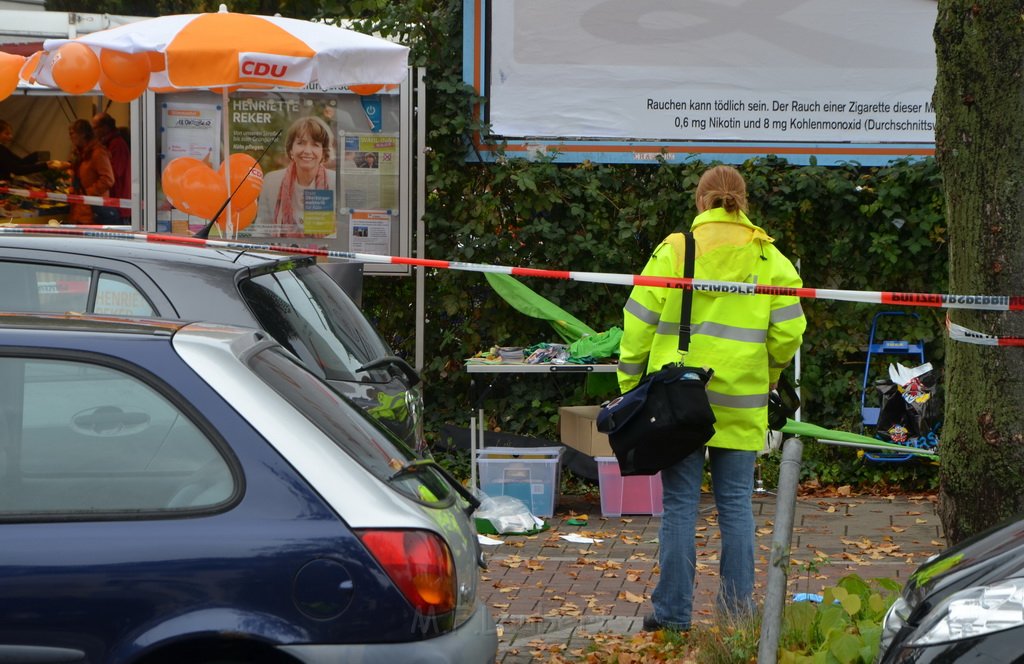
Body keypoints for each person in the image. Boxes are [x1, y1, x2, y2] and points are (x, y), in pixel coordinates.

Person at [616, 165, 806, 631]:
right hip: (742, 399)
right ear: (743, 202)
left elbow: (638, 321)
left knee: (680, 504)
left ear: (701, 202)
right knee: (736, 506)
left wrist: (628, 384)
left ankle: (673, 615)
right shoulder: (769, 258)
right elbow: (789, 331)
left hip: (679, 401)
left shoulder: (676, 250)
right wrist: (769, 375)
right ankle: (738, 619)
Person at [256, 116, 336, 237]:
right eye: (301, 143)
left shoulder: (335, 182)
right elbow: (261, 231)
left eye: (315, 145)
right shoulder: (271, 181)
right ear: (291, 149)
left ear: (323, 152)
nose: (307, 151)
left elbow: (338, 235)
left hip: (320, 253)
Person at [67, 119, 115, 225]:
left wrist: (88, 193)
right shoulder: (79, 153)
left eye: (72, 133)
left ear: (83, 134)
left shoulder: (98, 153)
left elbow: (108, 179)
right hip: (79, 209)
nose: (70, 137)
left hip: (93, 210)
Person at [91, 112, 130, 223]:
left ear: (105, 127)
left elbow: (114, 174)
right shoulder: (108, 144)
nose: (94, 132)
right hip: (113, 203)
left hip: (117, 204)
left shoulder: (117, 145)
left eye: (95, 128)